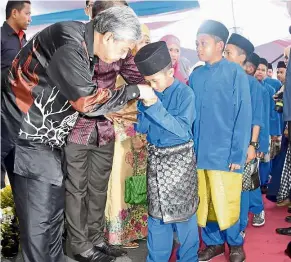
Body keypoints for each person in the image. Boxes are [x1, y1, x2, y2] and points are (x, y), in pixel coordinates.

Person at [1, 6, 154, 262]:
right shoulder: (68, 43)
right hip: (25, 137)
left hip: (45, 139)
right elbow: (87, 102)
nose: (122, 57)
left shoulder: (84, 44)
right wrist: (135, 91)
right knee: (40, 225)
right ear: (108, 37)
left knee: (52, 217)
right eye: (124, 49)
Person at [189, 20, 252, 262]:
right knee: (205, 202)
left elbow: (243, 115)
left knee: (227, 200)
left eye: (203, 43)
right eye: (196, 44)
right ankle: (213, 243)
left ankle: (235, 244)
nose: (198, 48)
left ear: (219, 45)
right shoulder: (196, 76)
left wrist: (238, 153)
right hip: (200, 152)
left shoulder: (235, 73)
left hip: (225, 153)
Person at [134, 41, 199, 262]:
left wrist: (154, 105)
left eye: (155, 80)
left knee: (184, 218)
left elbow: (182, 130)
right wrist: (139, 110)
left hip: (180, 164)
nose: (152, 85)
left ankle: (188, 259)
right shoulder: (151, 93)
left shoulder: (185, 94)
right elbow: (142, 128)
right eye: (148, 81)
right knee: (157, 217)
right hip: (156, 162)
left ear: (170, 72)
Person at [105, 24, 151, 249]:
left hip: (140, 128)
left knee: (138, 181)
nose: (145, 45)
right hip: (120, 128)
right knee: (121, 181)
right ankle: (118, 234)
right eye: (142, 40)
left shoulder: (145, 68)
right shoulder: (117, 63)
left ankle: (138, 228)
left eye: (147, 41)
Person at [224, 34, 264, 234]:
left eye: (228, 52)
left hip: (243, 143)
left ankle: (240, 227)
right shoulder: (222, 78)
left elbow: (257, 117)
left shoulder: (251, 83)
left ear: (242, 57)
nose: (224, 56)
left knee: (243, 186)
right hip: (223, 143)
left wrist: (253, 145)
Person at [1, 1, 31, 189]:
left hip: (19, 114)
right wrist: (13, 77)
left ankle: (14, 213)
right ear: (14, 13)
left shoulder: (24, 40)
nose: (30, 18)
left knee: (18, 170)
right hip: (2, 111)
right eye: (27, 13)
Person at [255, 58, 282, 193]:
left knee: (265, 158)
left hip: (266, 129)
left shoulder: (270, 89)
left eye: (263, 70)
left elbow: (273, 113)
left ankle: (264, 182)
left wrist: (275, 132)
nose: (260, 72)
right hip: (252, 128)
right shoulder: (248, 86)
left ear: (267, 72)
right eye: (258, 69)